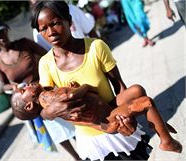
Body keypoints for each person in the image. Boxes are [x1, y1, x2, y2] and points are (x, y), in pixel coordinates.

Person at [30, 1, 155, 160]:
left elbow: (120, 87)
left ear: (69, 20)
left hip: (116, 124)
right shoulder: (46, 64)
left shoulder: (96, 47)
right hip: (90, 140)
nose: (51, 32)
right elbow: (45, 109)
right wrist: (49, 111)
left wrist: (125, 115)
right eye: (43, 29)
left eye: (55, 24)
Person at [0, 16, 80, 160]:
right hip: (33, 101)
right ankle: (77, 158)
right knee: (56, 129)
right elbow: (4, 85)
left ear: (7, 31)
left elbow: (49, 56)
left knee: (72, 120)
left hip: (48, 90)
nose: (1, 38)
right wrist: (14, 87)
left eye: (2, 32)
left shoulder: (24, 44)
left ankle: (86, 149)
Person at [11, 82, 182, 153]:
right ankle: (166, 141)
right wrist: (83, 87)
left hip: (106, 107)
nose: (24, 86)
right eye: (22, 91)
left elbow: (78, 98)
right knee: (146, 102)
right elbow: (72, 97)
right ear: (29, 105)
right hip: (107, 118)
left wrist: (76, 88)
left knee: (137, 90)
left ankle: (158, 125)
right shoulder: (49, 102)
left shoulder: (48, 95)